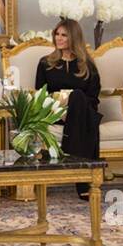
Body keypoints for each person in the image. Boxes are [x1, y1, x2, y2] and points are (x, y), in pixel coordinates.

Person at [34, 18, 102, 199]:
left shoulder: (87, 65)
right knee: (78, 102)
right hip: (54, 113)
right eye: (57, 34)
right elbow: (41, 96)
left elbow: (94, 98)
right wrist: (61, 111)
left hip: (82, 113)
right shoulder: (45, 63)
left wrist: (73, 109)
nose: (59, 38)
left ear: (74, 37)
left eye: (64, 35)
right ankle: (83, 181)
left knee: (78, 97)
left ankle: (76, 168)